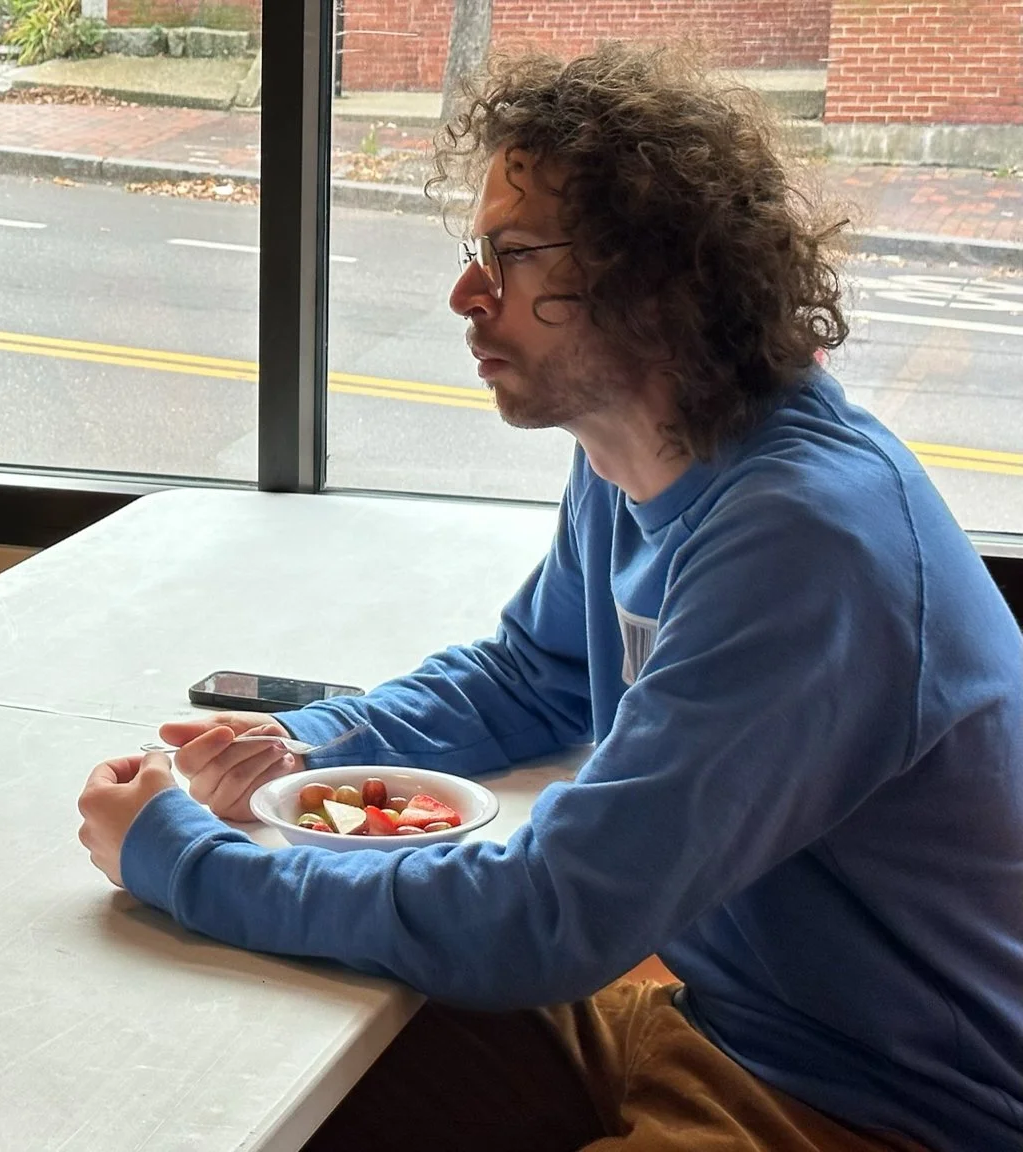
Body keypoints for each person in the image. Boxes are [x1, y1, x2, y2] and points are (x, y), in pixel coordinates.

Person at [77, 45, 1023, 1152]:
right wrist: (301, 743)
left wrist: (182, 859)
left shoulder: (804, 540)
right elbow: (534, 673)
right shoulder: (645, 450)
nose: (465, 294)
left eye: (511, 256)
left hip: (872, 1103)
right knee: (253, 1077)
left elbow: (546, 916)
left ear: (656, 280)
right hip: (705, 1008)